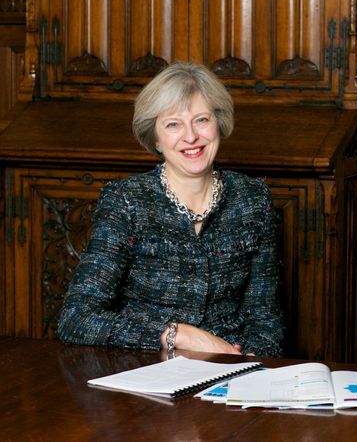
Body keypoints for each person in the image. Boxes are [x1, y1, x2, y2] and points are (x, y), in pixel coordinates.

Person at [57, 62, 284, 357]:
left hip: (230, 368)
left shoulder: (253, 198)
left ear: (219, 122)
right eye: (173, 124)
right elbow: (76, 318)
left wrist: (247, 360)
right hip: (145, 371)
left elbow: (266, 320)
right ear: (155, 138)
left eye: (202, 120)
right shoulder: (127, 201)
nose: (190, 137)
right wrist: (173, 334)